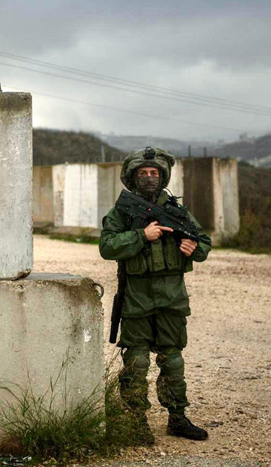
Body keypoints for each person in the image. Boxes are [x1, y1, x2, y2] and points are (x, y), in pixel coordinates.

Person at [99, 147, 212, 444]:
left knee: (173, 359)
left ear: (162, 177)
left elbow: (203, 243)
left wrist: (194, 249)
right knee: (136, 362)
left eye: (154, 173)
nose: (149, 178)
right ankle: (135, 421)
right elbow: (107, 246)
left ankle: (177, 418)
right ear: (133, 177)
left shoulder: (178, 211)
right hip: (137, 297)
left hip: (172, 297)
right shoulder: (123, 211)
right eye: (143, 173)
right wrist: (141, 236)